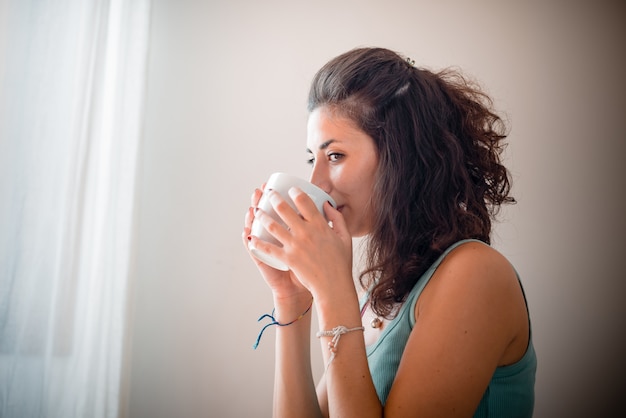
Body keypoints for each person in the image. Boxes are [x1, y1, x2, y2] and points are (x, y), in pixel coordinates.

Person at [242, 47, 536, 418]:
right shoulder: (377, 296)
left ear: (401, 156)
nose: (315, 182)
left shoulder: (475, 274)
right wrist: (292, 298)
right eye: (311, 159)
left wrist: (334, 293)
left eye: (335, 156)